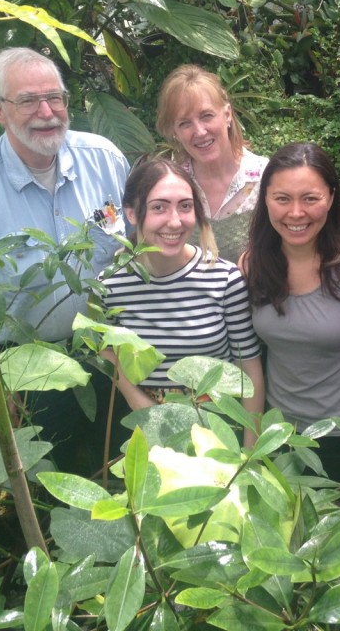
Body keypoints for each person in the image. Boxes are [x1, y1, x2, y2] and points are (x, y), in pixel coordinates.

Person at [0, 47, 130, 470]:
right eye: (28, 100)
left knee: (122, 469)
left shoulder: (106, 160)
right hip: (30, 368)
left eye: (55, 97)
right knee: (52, 477)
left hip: (115, 354)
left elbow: (139, 242)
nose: (47, 111)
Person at [240, 142, 340, 482]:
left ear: (330, 197)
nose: (296, 213)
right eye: (282, 198)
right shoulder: (253, 266)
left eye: (310, 198)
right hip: (283, 433)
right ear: (265, 198)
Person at [99, 158, 264, 441]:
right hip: (143, 426)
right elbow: (104, 350)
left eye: (185, 206)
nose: (174, 221)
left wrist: (250, 455)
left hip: (217, 428)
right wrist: (137, 401)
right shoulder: (111, 284)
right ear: (132, 214)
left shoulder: (224, 280)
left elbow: (248, 369)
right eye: (159, 207)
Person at [156, 65, 268, 262]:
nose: (199, 131)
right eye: (184, 123)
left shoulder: (265, 178)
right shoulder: (168, 185)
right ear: (175, 131)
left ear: (227, 115)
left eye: (206, 116)